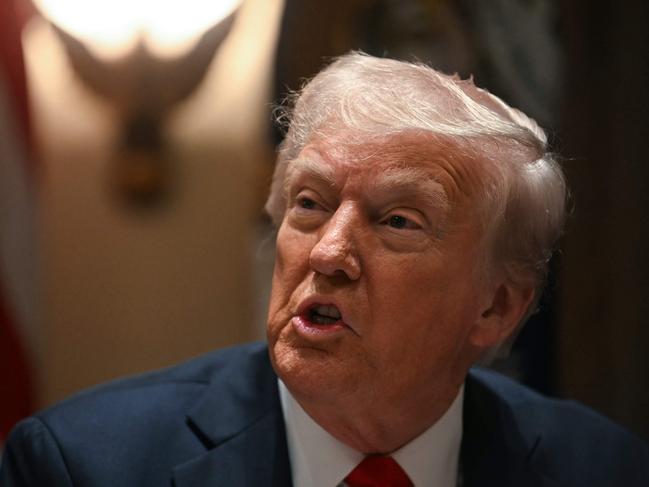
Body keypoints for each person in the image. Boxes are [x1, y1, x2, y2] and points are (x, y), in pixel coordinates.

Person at [1, 52, 647, 487]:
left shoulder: (602, 467)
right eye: (309, 204)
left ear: (495, 306)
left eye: (397, 220)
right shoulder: (80, 465)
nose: (328, 252)